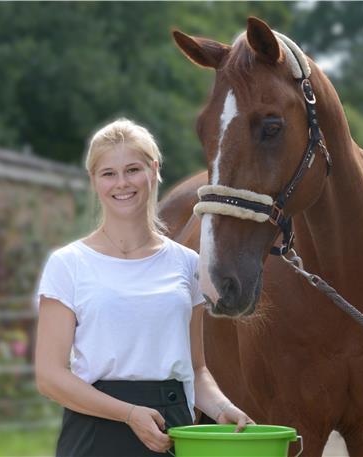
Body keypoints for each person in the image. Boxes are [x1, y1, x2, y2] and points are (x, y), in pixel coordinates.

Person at [34, 118, 252, 456]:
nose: (122, 183)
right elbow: (49, 376)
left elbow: (196, 368)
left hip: (173, 432)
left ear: (154, 170)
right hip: (95, 432)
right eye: (108, 173)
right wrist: (128, 414)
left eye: (133, 169)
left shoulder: (187, 264)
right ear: (94, 181)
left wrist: (223, 409)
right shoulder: (69, 264)